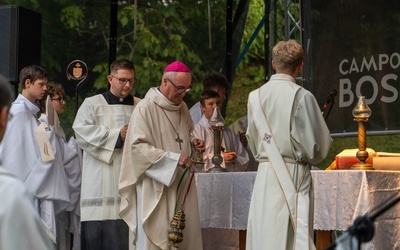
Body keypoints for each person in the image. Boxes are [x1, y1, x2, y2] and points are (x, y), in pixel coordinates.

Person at [245, 40, 332, 250]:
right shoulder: (302, 97)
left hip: (265, 174)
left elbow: (251, 137)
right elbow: (317, 147)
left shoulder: (254, 97)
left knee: (264, 234)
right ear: (300, 65)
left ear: (273, 64)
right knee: (292, 238)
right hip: (293, 174)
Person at [119, 61, 204, 249]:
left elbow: (185, 135)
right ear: (165, 81)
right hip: (156, 186)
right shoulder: (145, 108)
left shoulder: (181, 107)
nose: (183, 94)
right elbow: (136, 147)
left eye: (186, 90)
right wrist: (173, 159)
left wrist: (193, 143)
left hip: (181, 183)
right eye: (180, 88)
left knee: (185, 238)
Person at [73, 59, 140, 250]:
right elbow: (81, 133)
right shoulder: (91, 104)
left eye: (131, 81)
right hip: (99, 189)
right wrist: (117, 136)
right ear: (110, 78)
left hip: (131, 186)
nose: (127, 85)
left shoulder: (141, 106)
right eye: (122, 80)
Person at [0, 65, 71, 244]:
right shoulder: (19, 113)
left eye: (46, 84)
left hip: (30, 189)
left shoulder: (31, 115)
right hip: (26, 189)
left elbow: (44, 152)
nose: (45, 88)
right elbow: (18, 156)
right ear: (28, 83)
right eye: (42, 84)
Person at [36, 82, 82, 250]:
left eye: (63, 98)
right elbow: (47, 159)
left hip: (60, 194)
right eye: (59, 99)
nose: (63, 102)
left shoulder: (58, 127)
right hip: (50, 195)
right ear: (47, 102)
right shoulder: (41, 127)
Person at [192, 90, 249, 172]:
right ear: (202, 108)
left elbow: (245, 159)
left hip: (228, 180)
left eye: (218, 103)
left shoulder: (228, 132)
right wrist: (222, 159)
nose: (216, 107)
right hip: (207, 181)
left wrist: (234, 159)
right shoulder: (196, 131)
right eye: (211, 104)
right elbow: (194, 161)